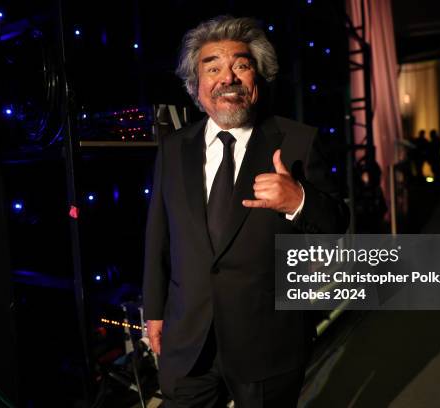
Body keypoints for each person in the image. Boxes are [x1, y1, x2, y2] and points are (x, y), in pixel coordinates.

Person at [143, 16, 349, 408]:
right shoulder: (173, 149)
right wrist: (153, 311)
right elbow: (159, 237)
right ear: (196, 87)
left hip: (268, 342)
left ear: (258, 77)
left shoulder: (298, 141)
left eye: (241, 65)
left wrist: (298, 200)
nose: (228, 78)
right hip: (189, 342)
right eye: (213, 68)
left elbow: (336, 224)